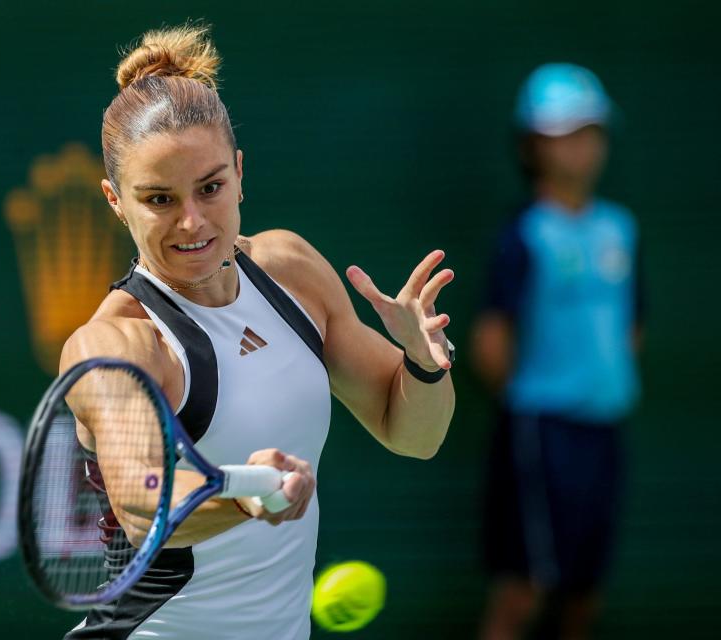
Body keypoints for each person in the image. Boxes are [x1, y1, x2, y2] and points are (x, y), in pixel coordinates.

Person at [59, 24, 456, 639]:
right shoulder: (115, 344)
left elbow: (413, 434)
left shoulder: (290, 269)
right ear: (115, 200)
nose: (192, 220)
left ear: (240, 173)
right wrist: (242, 492)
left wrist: (422, 364)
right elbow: (142, 503)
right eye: (159, 199)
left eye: (211, 187)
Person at [473, 63, 643, 639]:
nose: (579, 147)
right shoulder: (522, 234)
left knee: (584, 593)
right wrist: (540, 397)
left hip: (605, 432)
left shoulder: (620, 229)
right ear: (532, 145)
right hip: (540, 436)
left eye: (589, 131)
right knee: (524, 590)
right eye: (563, 134)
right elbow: (490, 344)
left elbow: (632, 329)